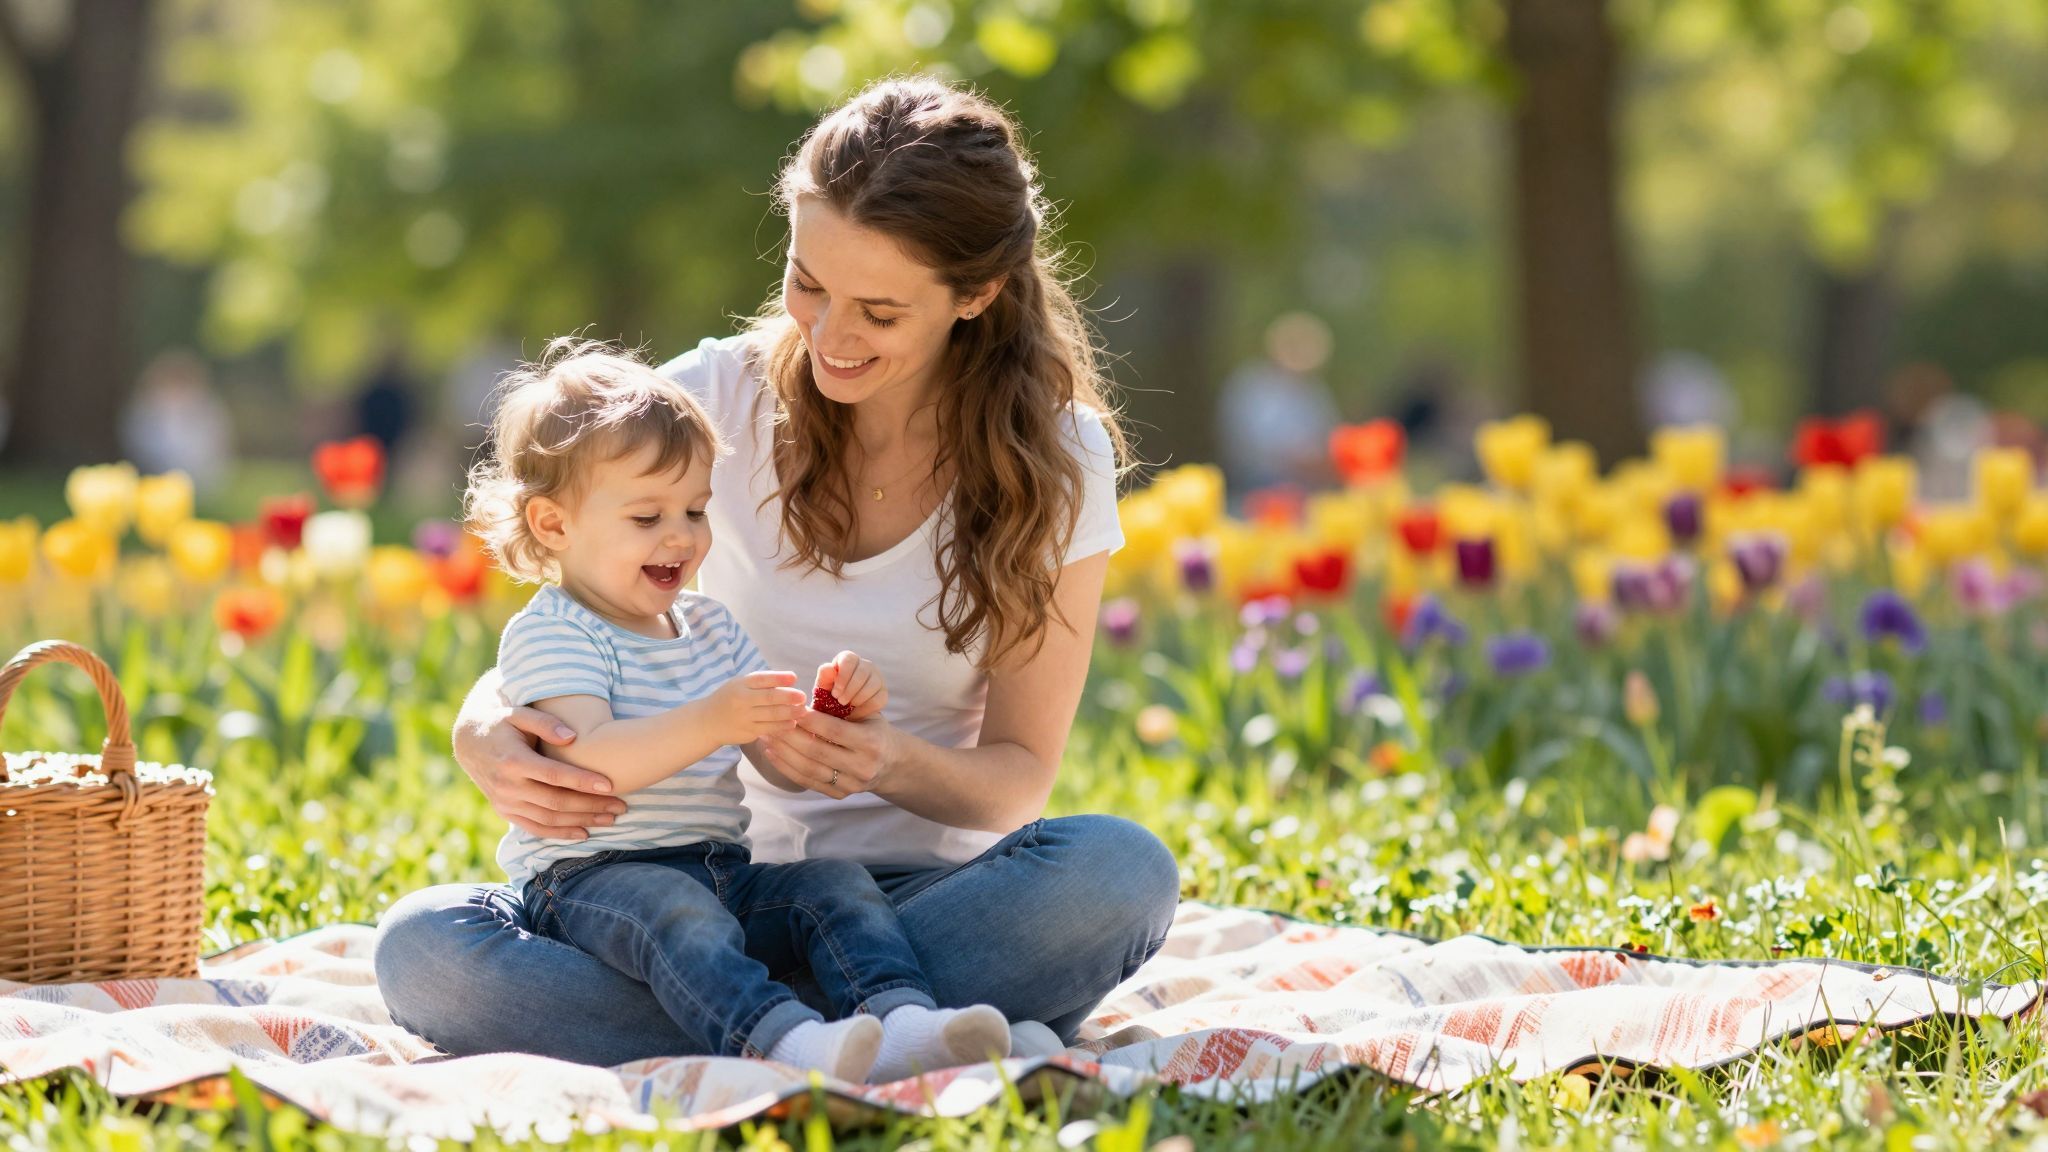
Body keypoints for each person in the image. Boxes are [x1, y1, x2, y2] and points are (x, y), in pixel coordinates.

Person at [373, 76, 1182, 1067]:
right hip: (690, 883)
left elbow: (1014, 783)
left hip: (913, 898)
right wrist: (482, 731)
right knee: (423, 949)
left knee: (1117, 871)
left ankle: (766, 1022)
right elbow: (561, 613)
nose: (830, 338)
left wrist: (879, 759)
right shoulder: (707, 401)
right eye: (809, 284)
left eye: (878, 313)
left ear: (975, 294)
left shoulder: (1057, 456)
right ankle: (887, 1024)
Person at [460, 339, 1011, 1081]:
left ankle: (902, 1021)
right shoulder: (555, 630)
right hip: (594, 880)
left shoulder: (710, 625)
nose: (682, 536)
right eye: (648, 517)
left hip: (718, 870)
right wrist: (714, 720)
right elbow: (588, 758)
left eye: (694, 509)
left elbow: (777, 765)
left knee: (831, 883)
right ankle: (780, 1041)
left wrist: (830, 718)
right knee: (672, 913)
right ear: (554, 526)